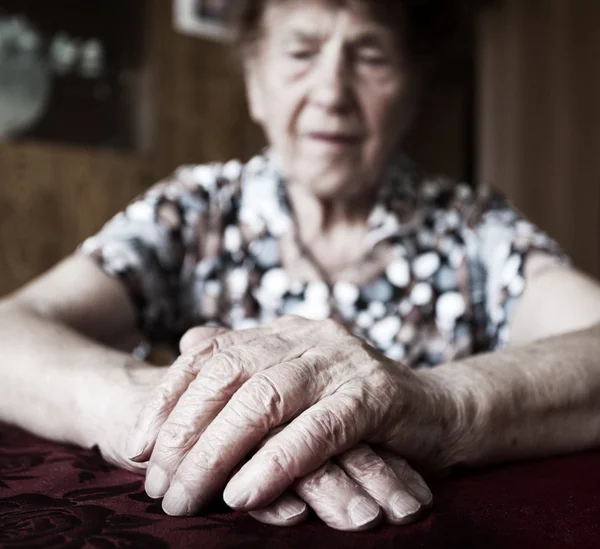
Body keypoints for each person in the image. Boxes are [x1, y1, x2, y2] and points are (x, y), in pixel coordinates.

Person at [2, 0, 600, 533]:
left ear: (413, 88)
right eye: (301, 51)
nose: (332, 92)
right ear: (254, 81)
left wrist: (436, 404)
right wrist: (164, 405)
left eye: (370, 56)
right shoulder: (196, 209)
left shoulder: (474, 228)